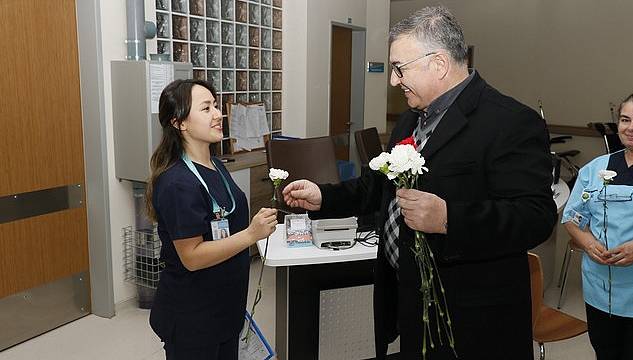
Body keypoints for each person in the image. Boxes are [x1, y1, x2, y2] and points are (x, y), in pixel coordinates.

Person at [282, 6, 556, 359]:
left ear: (439, 64)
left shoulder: (510, 122)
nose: (394, 81)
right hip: (408, 302)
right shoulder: (409, 121)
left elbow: (536, 216)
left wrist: (448, 219)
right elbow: (378, 187)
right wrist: (324, 197)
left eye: (399, 68)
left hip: (470, 318)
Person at [145, 79, 277, 359]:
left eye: (215, 106)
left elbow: (226, 218)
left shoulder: (215, 165)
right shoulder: (177, 183)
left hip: (225, 310)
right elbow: (191, 257)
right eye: (206, 108)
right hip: (193, 318)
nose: (218, 114)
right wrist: (251, 235)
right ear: (180, 123)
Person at [562, 90, 633, 359]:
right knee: (605, 351)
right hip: (600, 288)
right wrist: (588, 243)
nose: (632, 128)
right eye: (625, 120)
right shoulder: (595, 168)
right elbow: (572, 217)